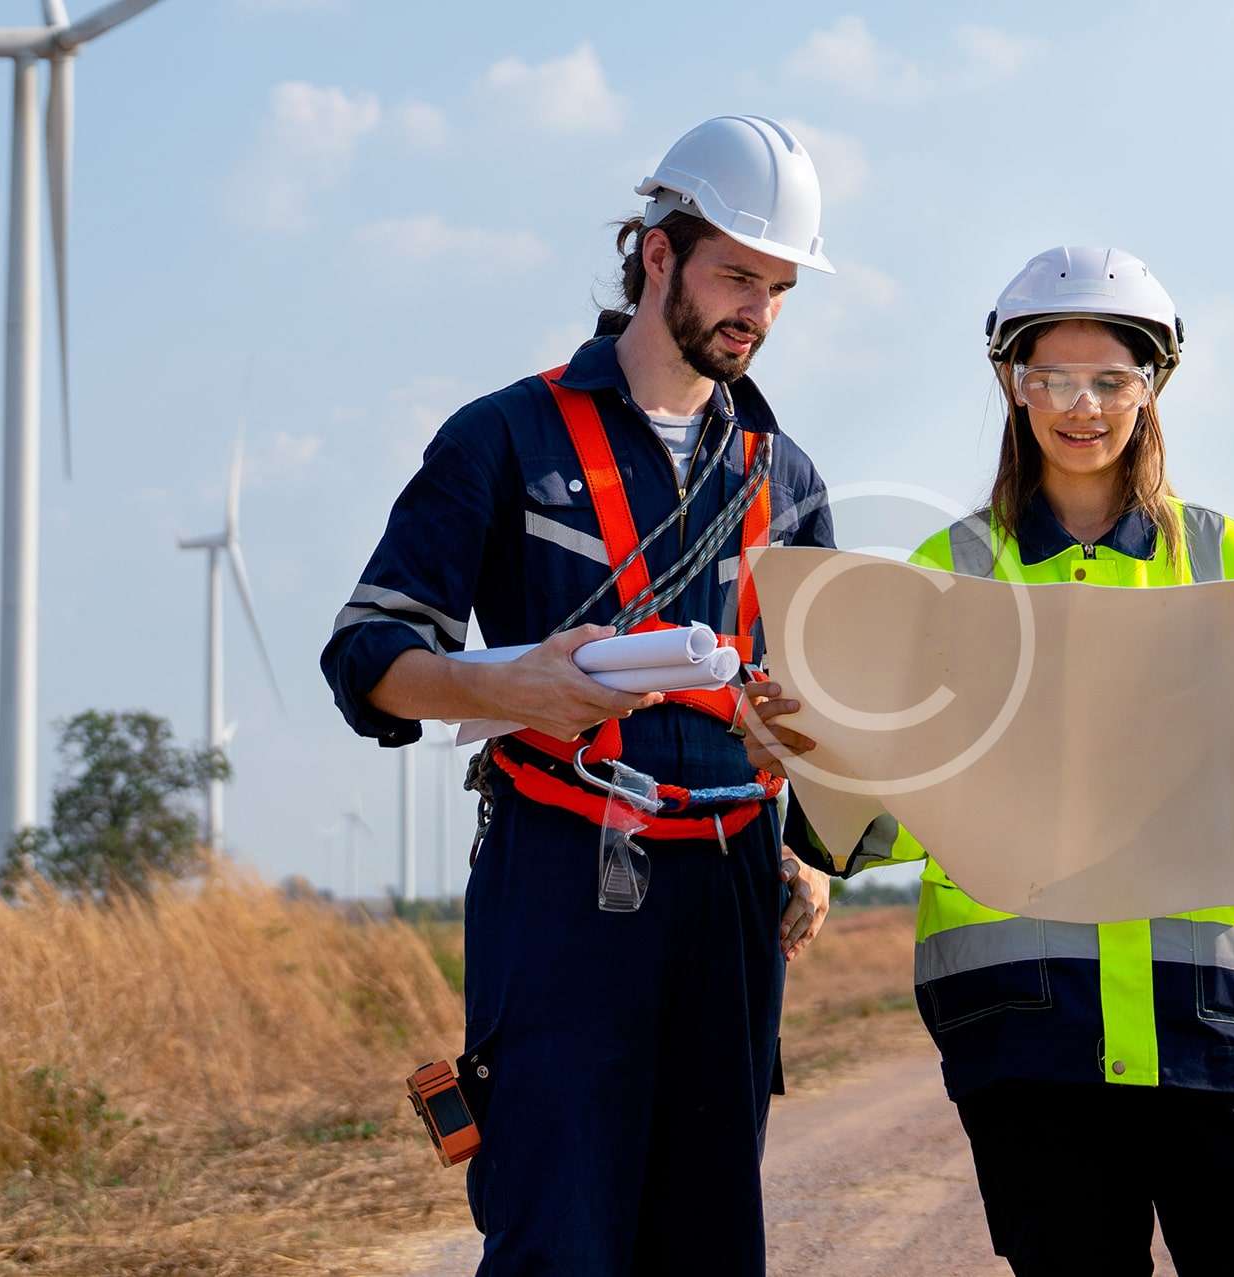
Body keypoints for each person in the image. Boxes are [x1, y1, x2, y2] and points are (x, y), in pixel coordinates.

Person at [747, 245, 1234, 1276]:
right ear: (1013, 385)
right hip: (1031, 1028)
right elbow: (880, 822)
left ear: (1153, 386)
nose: (1082, 405)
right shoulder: (943, 575)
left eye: (1111, 378)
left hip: (1227, 1021)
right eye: (1052, 377)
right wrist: (812, 747)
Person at [320, 115, 841, 1276]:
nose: (758, 310)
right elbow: (367, 654)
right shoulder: (503, 437)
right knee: (559, 1237)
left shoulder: (787, 475)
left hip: (730, 897)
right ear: (657, 253)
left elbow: (821, 703)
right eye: (737, 276)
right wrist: (506, 682)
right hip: (561, 876)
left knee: (709, 1243)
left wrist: (807, 847)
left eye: (780, 288)